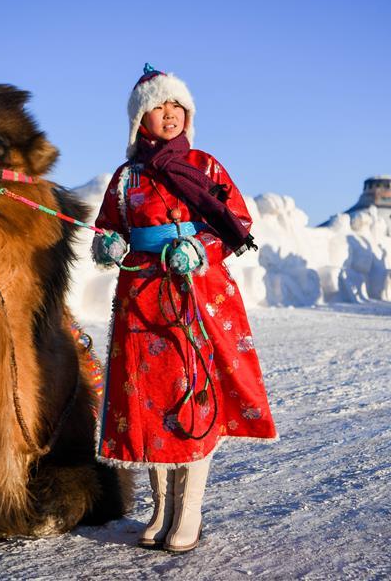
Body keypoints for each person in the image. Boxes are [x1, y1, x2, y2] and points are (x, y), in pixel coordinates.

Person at [91, 64, 278, 553]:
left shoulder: (205, 166)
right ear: (140, 120)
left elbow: (235, 217)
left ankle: (189, 507)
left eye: (177, 104)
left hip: (195, 291)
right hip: (142, 295)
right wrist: (109, 244)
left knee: (191, 395)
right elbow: (107, 225)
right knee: (150, 398)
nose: (169, 113)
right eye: (158, 105)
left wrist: (201, 248)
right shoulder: (126, 177)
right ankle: (161, 507)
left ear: (188, 113)